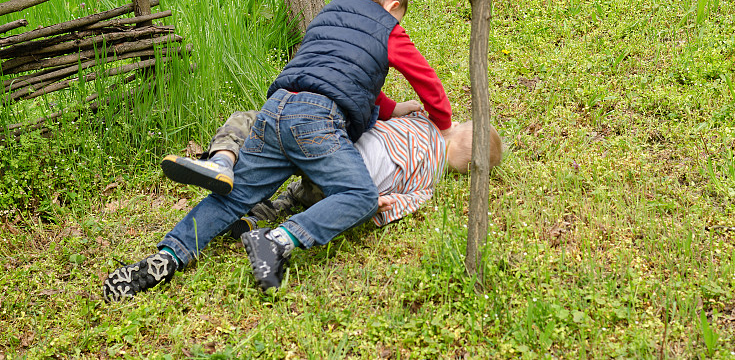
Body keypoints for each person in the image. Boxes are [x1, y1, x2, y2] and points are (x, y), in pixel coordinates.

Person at [103, 0, 454, 301]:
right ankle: (278, 241)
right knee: (359, 196)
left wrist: (392, 109)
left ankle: (167, 257)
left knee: (234, 197)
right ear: (392, 6)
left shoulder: (326, 17)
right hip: (318, 121)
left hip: (276, 110)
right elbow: (427, 82)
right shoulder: (386, 26)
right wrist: (443, 125)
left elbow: (342, 74)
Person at [164, 110, 503, 238]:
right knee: (302, 195)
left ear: (455, 125)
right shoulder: (428, 182)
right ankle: (257, 222)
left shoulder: (420, 122)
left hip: (328, 149)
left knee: (253, 122)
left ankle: (222, 160)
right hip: (346, 187)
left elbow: (374, 118)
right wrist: (378, 202)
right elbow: (396, 204)